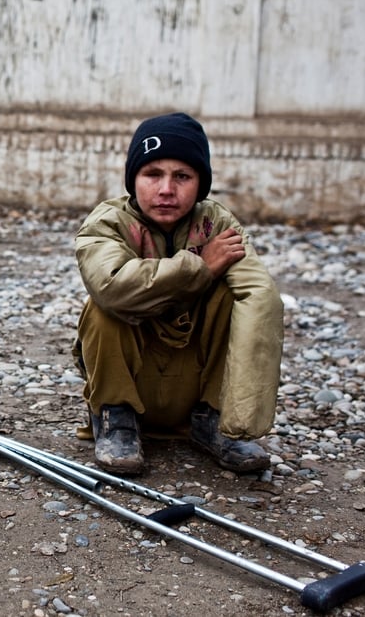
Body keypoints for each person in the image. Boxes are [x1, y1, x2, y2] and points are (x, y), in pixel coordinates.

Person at [72, 112, 283, 475]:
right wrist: (200, 267)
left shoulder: (217, 225)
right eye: (152, 174)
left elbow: (261, 297)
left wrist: (242, 414)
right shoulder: (107, 223)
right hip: (133, 382)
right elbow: (112, 285)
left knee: (239, 299)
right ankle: (115, 418)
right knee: (104, 306)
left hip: (197, 387)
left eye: (182, 176)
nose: (166, 190)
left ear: (200, 183)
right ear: (133, 179)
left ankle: (214, 422)